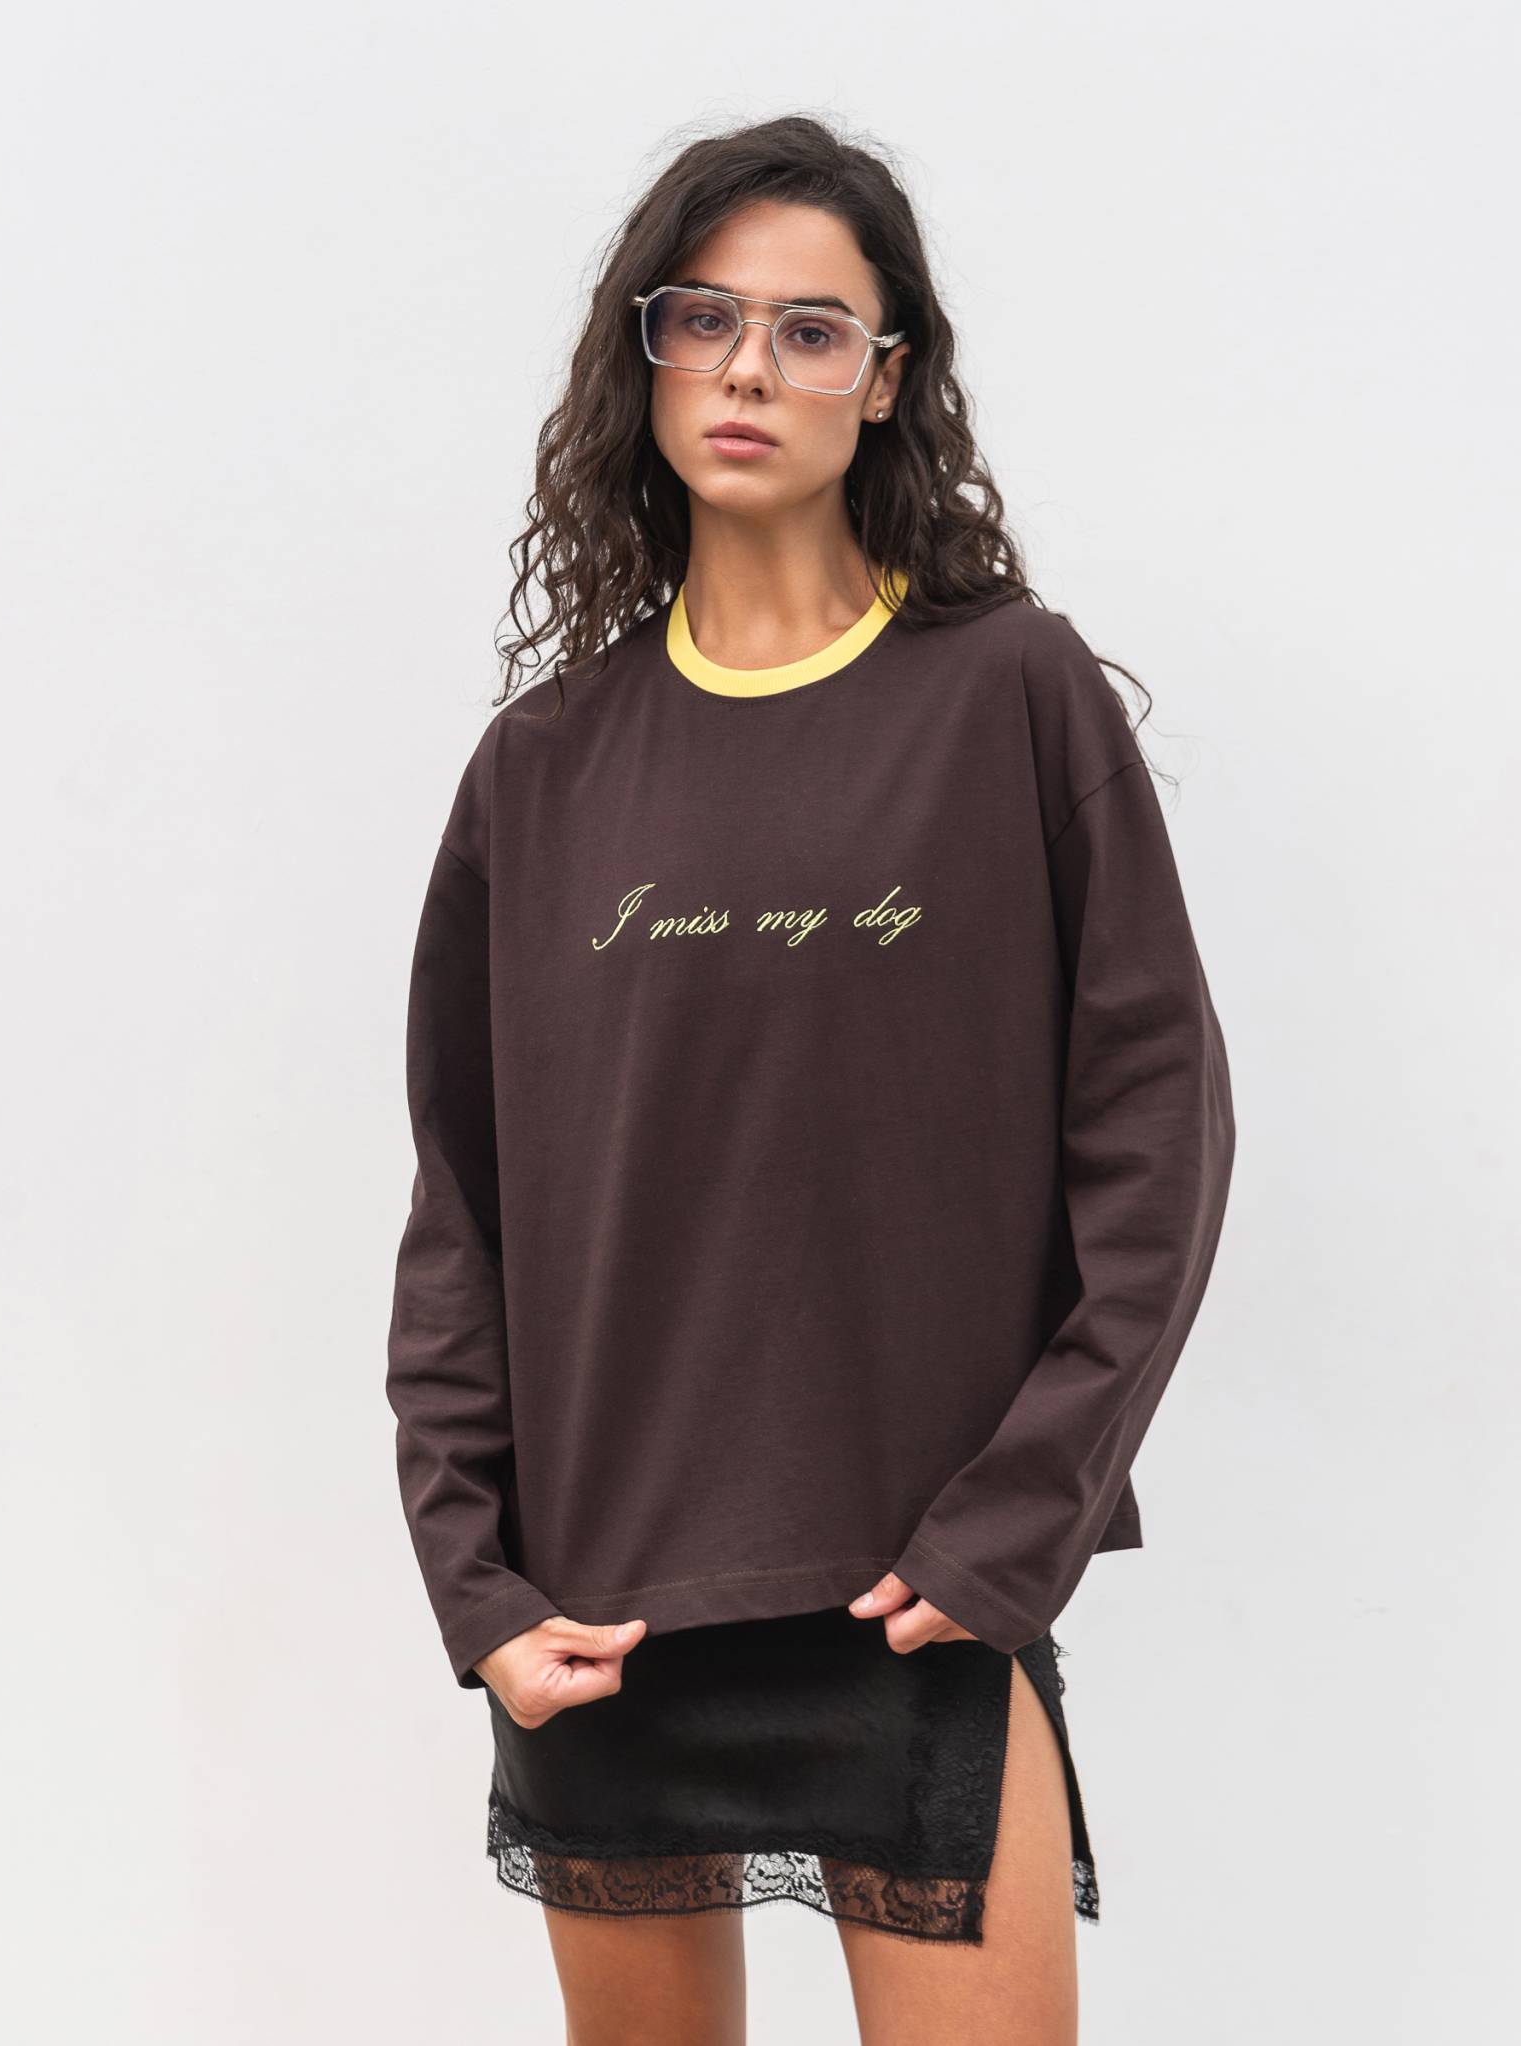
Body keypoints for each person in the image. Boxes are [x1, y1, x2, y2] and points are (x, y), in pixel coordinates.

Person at [385, 112, 1236, 2046]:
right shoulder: (542, 769)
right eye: (704, 319)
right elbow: (463, 1212)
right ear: (645, 354)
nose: (750, 368)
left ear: (888, 378)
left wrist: (1013, 1522)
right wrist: (475, 1580)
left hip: (913, 1603)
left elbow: (1158, 1139)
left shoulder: (1012, 694)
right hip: (602, 1625)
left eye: (810, 329)